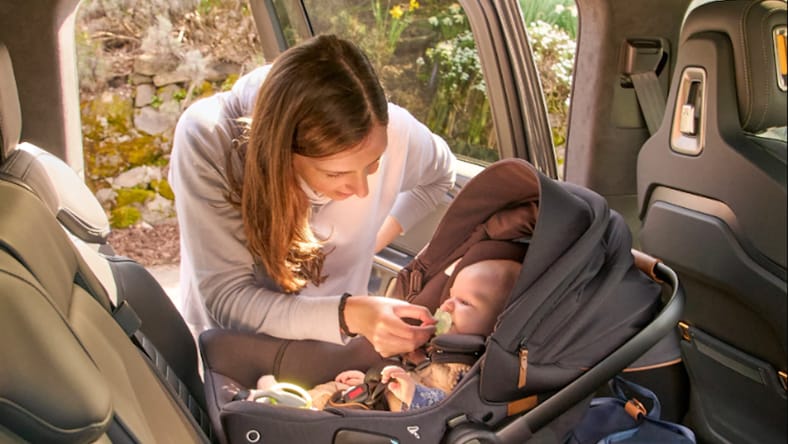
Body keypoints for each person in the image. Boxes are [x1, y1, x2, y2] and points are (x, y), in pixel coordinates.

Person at [169, 34, 456, 357]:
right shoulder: (208, 139)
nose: (361, 190)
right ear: (281, 154)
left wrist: (370, 242)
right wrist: (349, 314)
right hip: (238, 354)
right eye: (335, 174)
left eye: (373, 164)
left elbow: (441, 177)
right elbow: (228, 296)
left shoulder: (397, 132)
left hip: (332, 351)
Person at [252, 245, 526, 411]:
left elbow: (449, 406)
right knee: (337, 388)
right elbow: (416, 372)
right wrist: (371, 382)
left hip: (398, 416)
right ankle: (279, 398)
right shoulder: (440, 347)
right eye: (450, 295)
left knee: (328, 408)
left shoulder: (467, 370)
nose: (448, 306)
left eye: (464, 302)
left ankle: (282, 408)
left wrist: (412, 392)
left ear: (496, 323)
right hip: (383, 396)